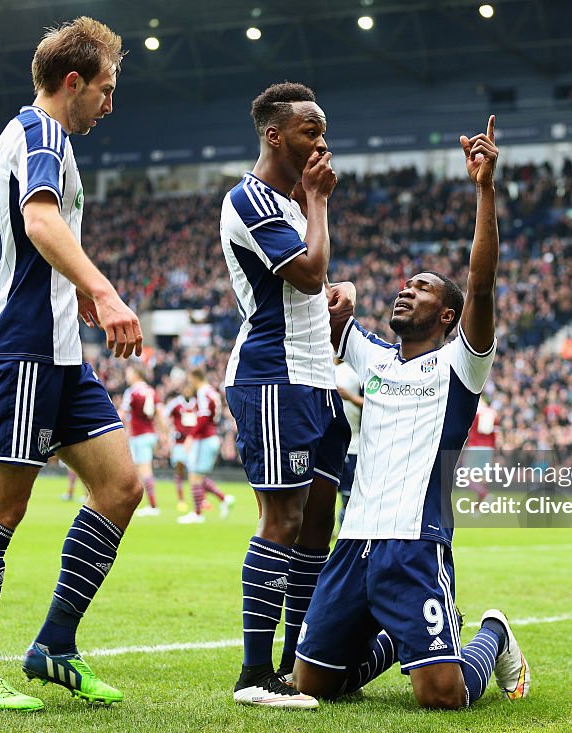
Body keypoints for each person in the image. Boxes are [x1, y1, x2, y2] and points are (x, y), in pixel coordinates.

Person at [294, 116, 531, 710]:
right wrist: (336, 291)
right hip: (354, 542)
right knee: (312, 686)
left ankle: (493, 636)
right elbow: (315, 298)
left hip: (416, 542)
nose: (406, 289)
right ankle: (402, 640)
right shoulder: (371, 353)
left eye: (422, 288)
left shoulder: (460, 365)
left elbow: (481, 285)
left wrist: (484, 189)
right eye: (405, 285)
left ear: (447, 315)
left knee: (441, 696)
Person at [0, 17, 144, 711]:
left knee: (121, 487)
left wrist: (76, 293)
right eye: (106, 89)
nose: (109, 104)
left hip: (59, 352)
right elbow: (38, 220)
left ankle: (54, 644)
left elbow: (40, 238)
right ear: (73, 82)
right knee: (0, 507)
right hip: (23, 348)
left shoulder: (40, 136)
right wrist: (103, 289)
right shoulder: (43, 132)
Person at [220, 81, 353, 708]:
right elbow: (307, 272)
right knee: (281, 521)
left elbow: (312, 297)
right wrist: (320, 204)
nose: (321, 140)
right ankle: (255, 675)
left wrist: (337, 306)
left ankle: (297, 662)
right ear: (275, 134)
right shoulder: (251, 199)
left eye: (323, 128)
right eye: (310, 129)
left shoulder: (294, 204)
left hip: (314, 376)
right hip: (272, 377)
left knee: (314, 523)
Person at [177, 367, 235, 524]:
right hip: (211, 437)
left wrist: (191, 436)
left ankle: (197, 514)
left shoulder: (203, 392)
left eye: (190, 379)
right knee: (199, 477)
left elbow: (203, 418)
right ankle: (224, 499)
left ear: (195, 377)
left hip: (204, 438)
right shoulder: (212, 391)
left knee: (194, 475)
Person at [121, 365, 163, 516]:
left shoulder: (132, 391)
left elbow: (123, 414)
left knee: (144, 470)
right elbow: (159, 413)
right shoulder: (151, 390)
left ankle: (153, 506)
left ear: (136, 373)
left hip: (138, 435)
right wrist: (164, 434)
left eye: (129, 372)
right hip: (150, 433)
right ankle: (147, 504)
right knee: (140, 470)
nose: (127, 375)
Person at [333, 356, 363, 528]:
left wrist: (351, 398)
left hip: (354, 444)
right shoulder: (329, 370)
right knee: (324, 493)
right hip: (330, 444)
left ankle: (345, 530)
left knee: (349, 496)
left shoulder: (358, 373)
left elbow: (376, 401)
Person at [163, 383, 193, 513]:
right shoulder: (176, 403)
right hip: (180, 442)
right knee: (180, 470)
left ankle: (200, 499)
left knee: (195, 472)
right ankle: (181, 499)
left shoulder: (196, 403)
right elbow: (164, 414)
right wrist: (169, 431)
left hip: (193, 442)